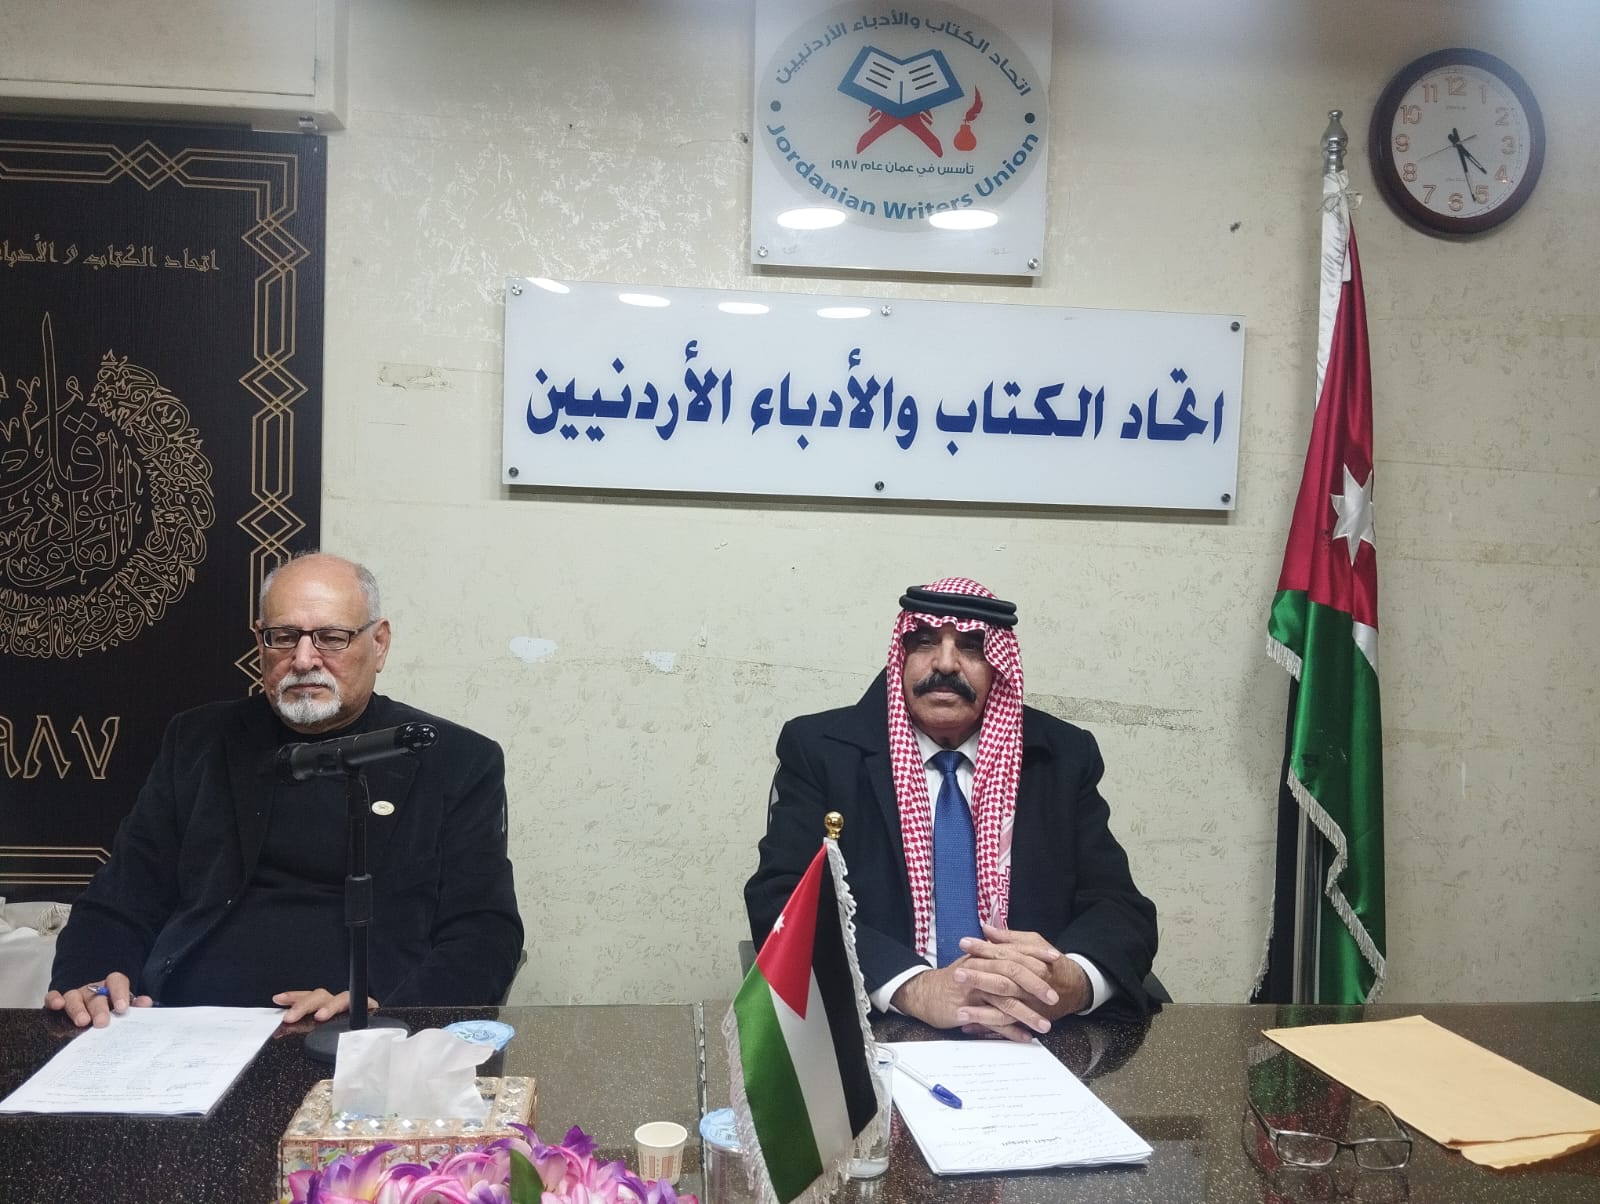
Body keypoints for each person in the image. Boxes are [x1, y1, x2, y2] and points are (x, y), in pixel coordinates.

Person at [47, 552, 523, 1027]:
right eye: (284, 636)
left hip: (350, 1032)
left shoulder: (454, 759)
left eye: (331, 638)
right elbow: (122, 896)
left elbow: (484, 933)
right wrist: (93, 978)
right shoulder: (198, 740)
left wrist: (384, 1011)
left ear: (379, 644)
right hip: (178, 1021)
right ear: (261, 640)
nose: (303, 659)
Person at [745, 577, 1157, 1042]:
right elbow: (780, 900)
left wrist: (1071, 982)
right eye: (924, 642)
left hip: (1033, 1033)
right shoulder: (820, 750)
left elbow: (1121, 908)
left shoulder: (1062, 756)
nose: (944, 663)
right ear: (901, 654)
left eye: (972, 647)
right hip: (881, 1028)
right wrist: (914, 988)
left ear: (998, 665)